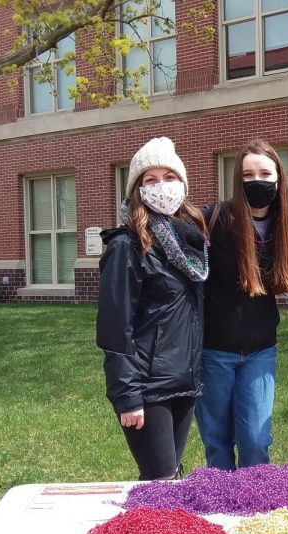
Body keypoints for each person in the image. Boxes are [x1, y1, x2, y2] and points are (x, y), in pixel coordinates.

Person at [96, 137, 209, 480]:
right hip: (147, 386)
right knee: (159, 479)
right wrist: (127, 395)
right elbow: (116, 327)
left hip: (184, 381)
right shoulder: (127, 246)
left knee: (171, 475)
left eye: (170, 177)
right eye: (151, 179)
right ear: (138, 190)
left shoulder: (190, 239)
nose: (162, 186)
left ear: (183, 184)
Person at [196, 140, 288, 470]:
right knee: (218, 442)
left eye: (266, 173)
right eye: (248, 174)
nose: (257, 180)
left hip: (259, 351)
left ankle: (254, 511)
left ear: (279, 179)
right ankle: (221, 513)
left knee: (255, 442)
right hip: (213, 352)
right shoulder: (214, 220)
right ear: (237, 180)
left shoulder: (284, 228)